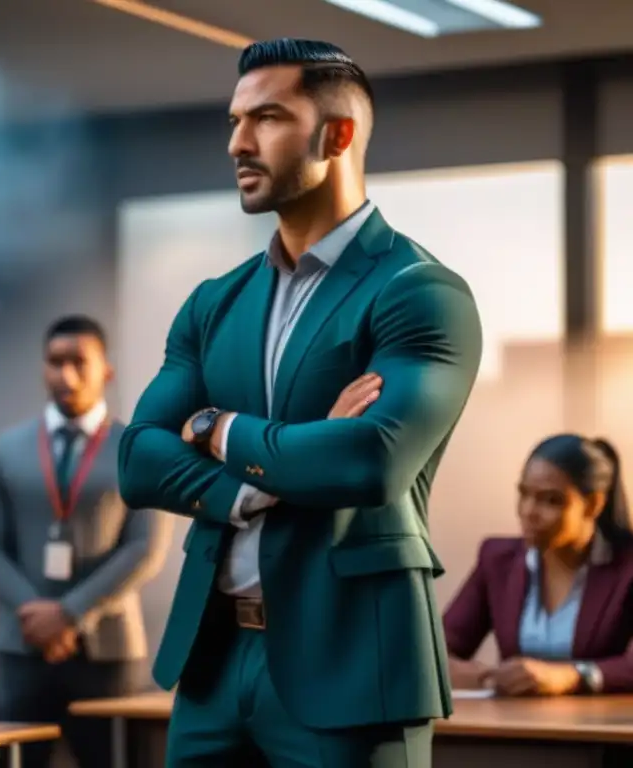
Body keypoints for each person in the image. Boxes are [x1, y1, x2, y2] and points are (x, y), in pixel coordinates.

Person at [118, 38, 483, 767]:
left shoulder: (419, 291)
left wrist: (215, 428)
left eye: (267, 118)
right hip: (213, 665)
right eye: (233, 121)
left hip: (354, 666)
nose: (237, 143)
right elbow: (137, 460)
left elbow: (369, 462)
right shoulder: (214, 303)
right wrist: (269, 476)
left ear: (336, 135)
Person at [0, 315, 171, 768]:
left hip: (108, 650)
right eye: (54, 362)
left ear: (106, 370)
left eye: (78, 362)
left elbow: (145, 550)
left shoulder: (139, 449)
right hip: (21, 644)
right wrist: (37, 617)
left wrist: (69, 614)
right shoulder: (5, 448)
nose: (65, 375)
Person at [444, 435, 633, 696]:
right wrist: (482, 676)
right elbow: (438, 648)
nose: (528, 511)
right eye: (523, 494)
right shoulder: (498, 560)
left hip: (600, 729)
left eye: (551, 500)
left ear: (592, 505)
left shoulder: (626, 567)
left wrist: (571, 676)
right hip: (515, 726)